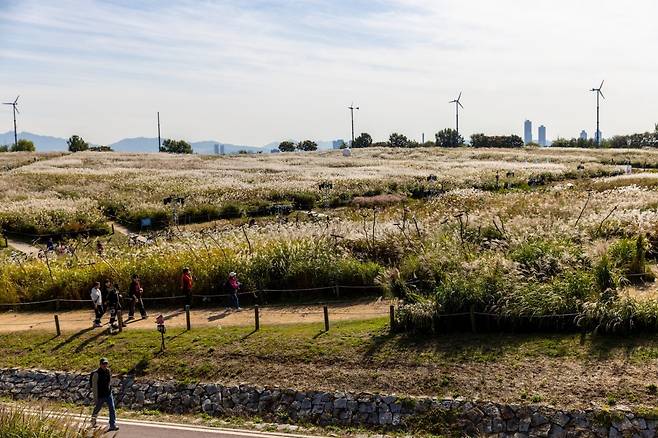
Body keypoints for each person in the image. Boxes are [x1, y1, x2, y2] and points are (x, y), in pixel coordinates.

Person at [90, 357, 119, 431]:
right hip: (100, 395)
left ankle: (112, 425)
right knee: (97, 409)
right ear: (100, 364)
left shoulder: (108, 371)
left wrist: (110, 390)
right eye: (103, 364)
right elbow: (94, 387)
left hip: (108, 394)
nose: (105, 365)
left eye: (106, 363)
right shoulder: (96, 373)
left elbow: (109, 381)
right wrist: (95, 398)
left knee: (112, 409)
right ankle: (93, 422)